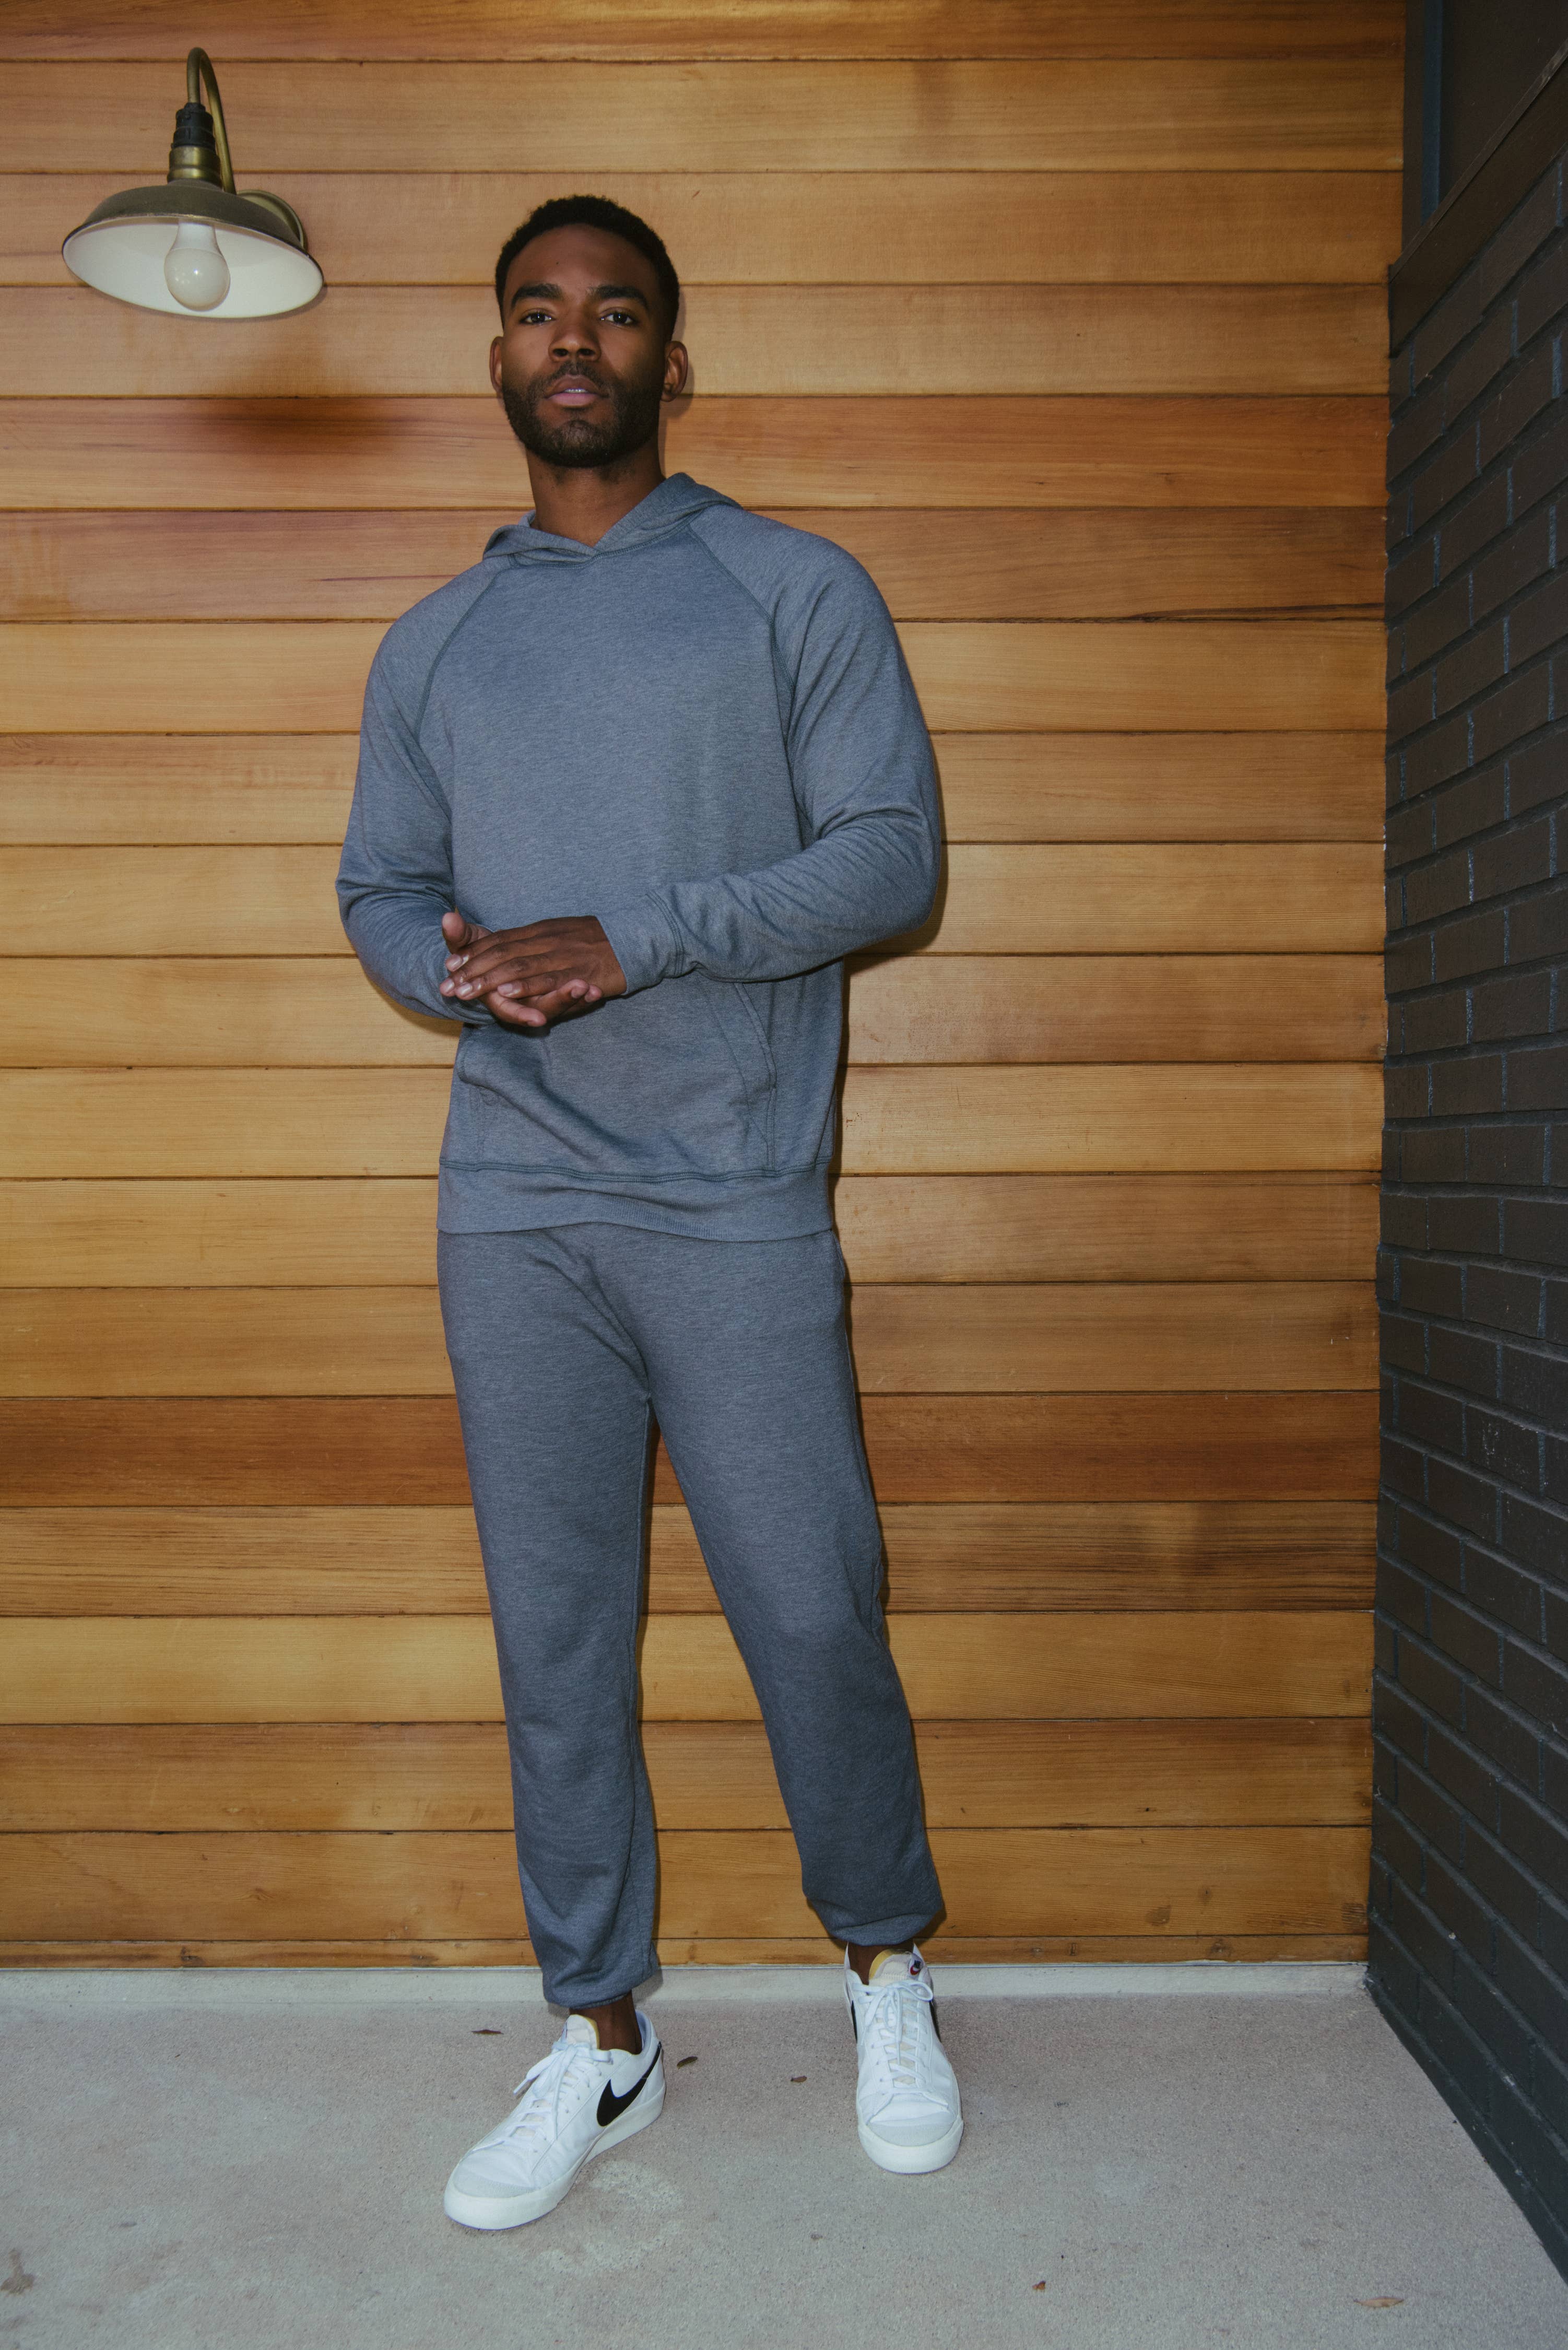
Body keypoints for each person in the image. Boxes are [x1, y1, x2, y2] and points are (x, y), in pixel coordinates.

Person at [336, 194, 961, 2231]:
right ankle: (599, 2035)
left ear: (668, 362)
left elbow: (889, 857)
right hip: (514, 1205)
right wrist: (451, 968)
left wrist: (637, 933)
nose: (573, 339)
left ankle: (886, 1971)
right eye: (537, 310)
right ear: (498, 359)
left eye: (613, 312)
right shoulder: (437, 641)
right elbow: (377, 882)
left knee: (810, 1605)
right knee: (556, 1635)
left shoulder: (792, 589)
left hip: (734, 1198)